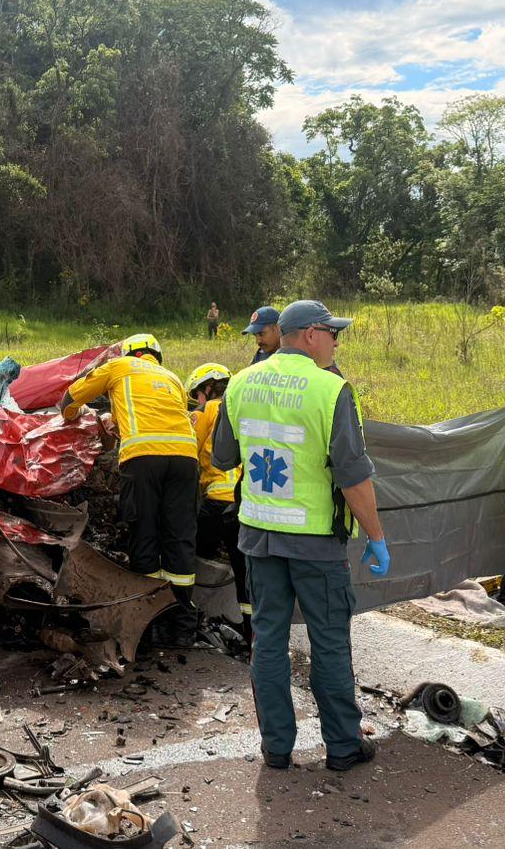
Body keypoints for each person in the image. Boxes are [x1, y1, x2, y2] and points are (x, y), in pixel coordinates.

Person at [211, 300, 389, 773]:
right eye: (333, 332)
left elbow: (224, 457)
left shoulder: (240, 383)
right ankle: (343, 747)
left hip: (259, 537)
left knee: (267, 639)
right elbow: (353, 477)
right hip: (314, 540)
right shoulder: (331, 389)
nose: (336, 341)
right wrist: (375, 534)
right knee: (329, 640)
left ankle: (276, 749)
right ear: (310, 334)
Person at [62, 334, 200, 647]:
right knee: (179, 538)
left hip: (143, 460)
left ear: (131, 352)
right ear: (155, 356)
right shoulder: (172, 379)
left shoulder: (119, 366)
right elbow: (155, 418)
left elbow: (71, 399)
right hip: (185, 461)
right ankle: (181, 628)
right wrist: (116, 419)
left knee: (145, 536)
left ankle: (147, 625)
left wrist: (69, 418)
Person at [186, 362, 250, 644]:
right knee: (244, 572)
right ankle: (252, 635)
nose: (197, 401)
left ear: (207, 389)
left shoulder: (206, 410)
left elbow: (188, 452)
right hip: (243, 506)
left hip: (215, 502)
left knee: (182, 551)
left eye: (197, 394)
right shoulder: (245, 408)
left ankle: (181, 617)